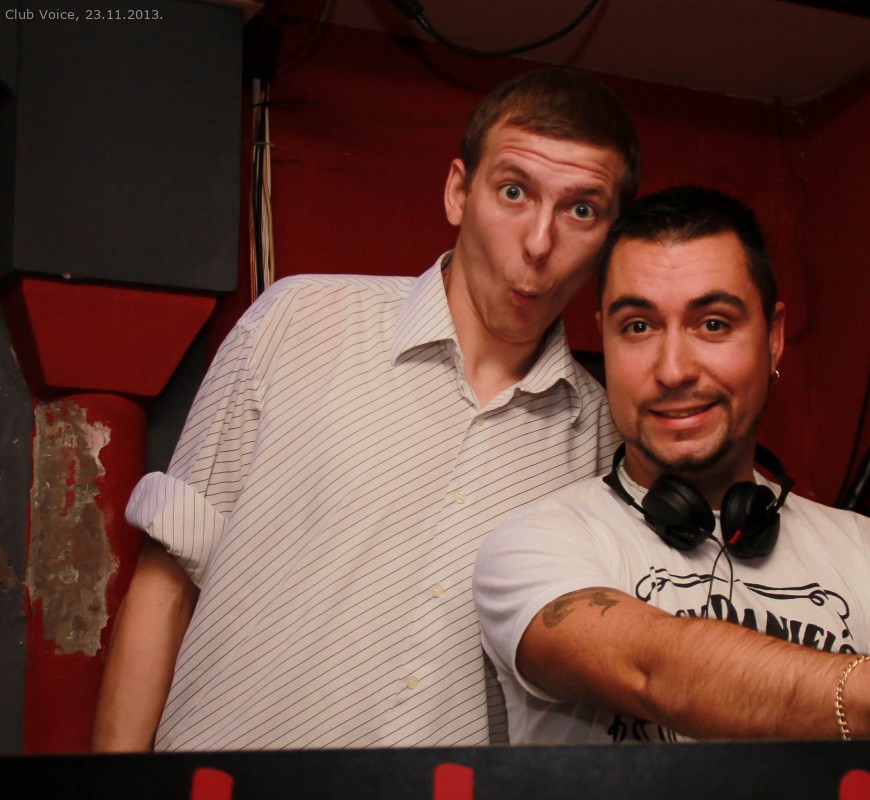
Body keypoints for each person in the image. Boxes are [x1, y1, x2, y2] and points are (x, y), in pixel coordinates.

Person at [91, 68, 639, 752]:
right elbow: (166, 585)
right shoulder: (298, 320)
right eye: (513, 191)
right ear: (458, 192)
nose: (537, 242)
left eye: (581, 210)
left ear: (611, 239)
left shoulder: (603, 441)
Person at [473, 185, 870, 745]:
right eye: (638, 326)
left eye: (713, 324)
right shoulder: (532, 545)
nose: (673, 370)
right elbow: (651, 671)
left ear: (774, 339)